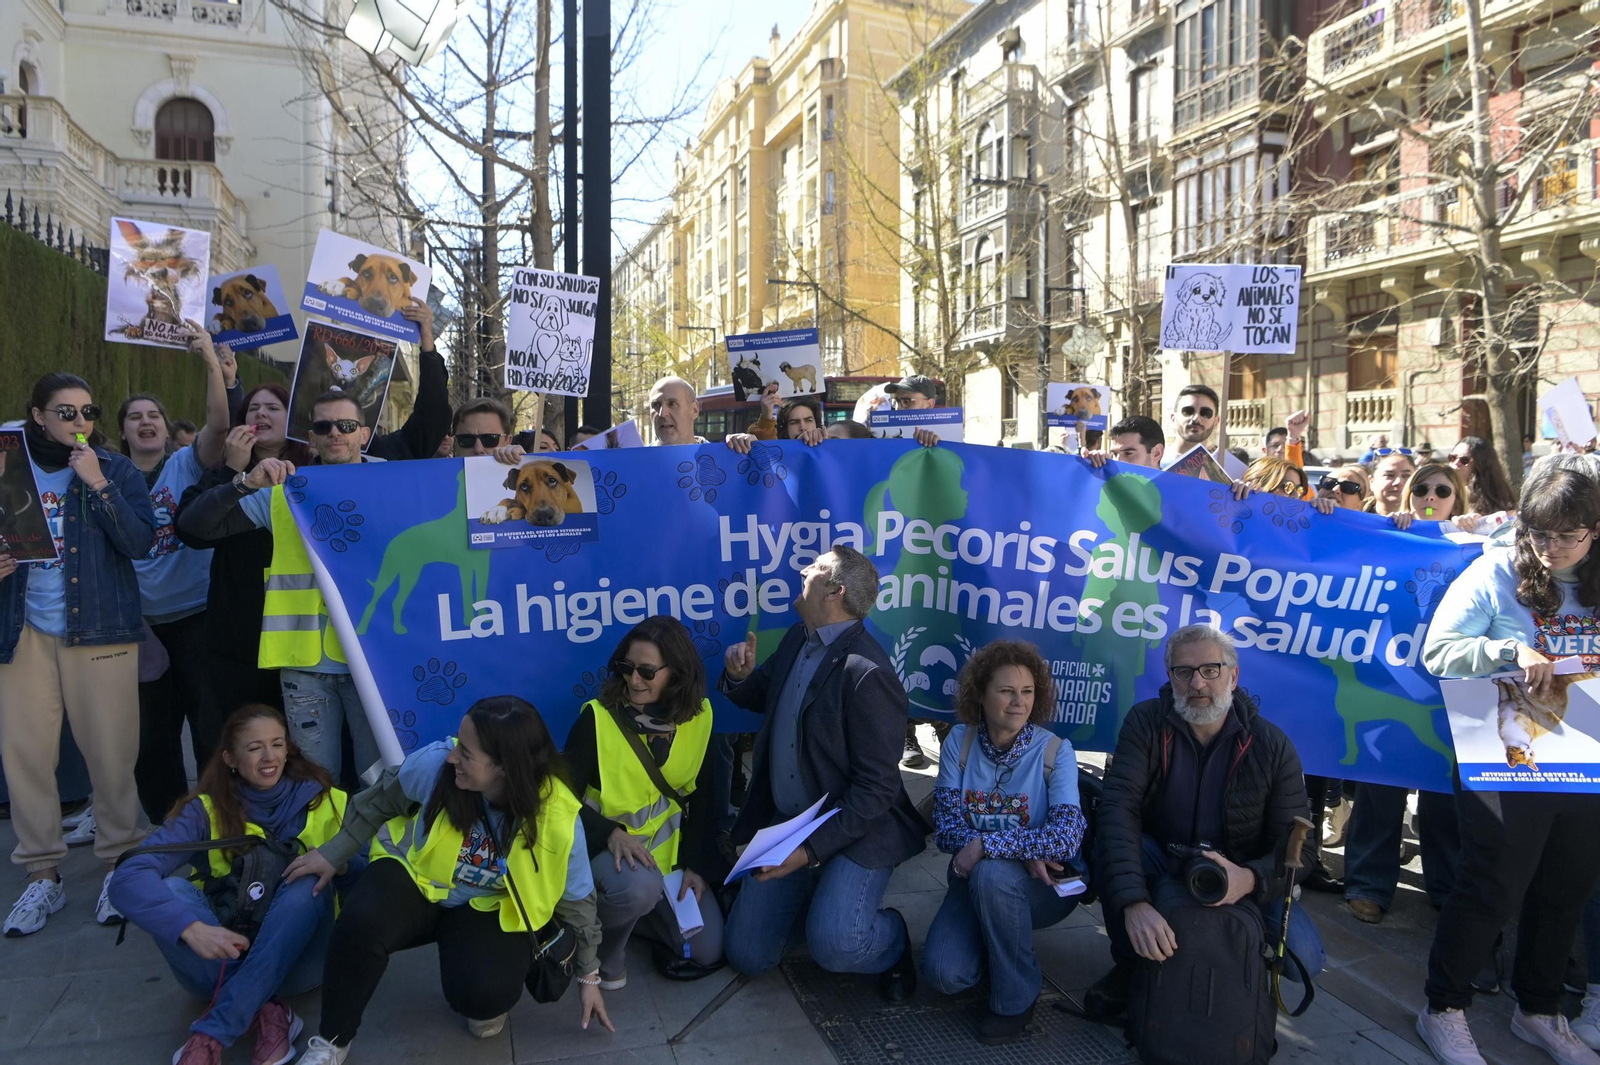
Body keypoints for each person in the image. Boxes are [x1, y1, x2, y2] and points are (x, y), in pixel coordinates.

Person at [282, 696, 613, 1063]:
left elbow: (578, 900)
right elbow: (379, 801)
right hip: (414, 878)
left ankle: (472, 971)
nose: (453, 755)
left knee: (485, 994)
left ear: (504, 767)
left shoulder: (558, 817)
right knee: (360, 923)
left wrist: (589, 976)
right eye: (459, 742)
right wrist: (333, 853)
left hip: (487, 905)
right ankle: (332, 1040)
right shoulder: (437, 765)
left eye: (467, 753)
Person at [1414, 467, 1600, 1065]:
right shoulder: (1496, 571)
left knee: (1565, 886)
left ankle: (1539, 1010)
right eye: (1540, 535)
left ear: (1594, 532)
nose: (1552, 549)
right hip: (1504, 753)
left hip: (1583, 752)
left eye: (1568, 536)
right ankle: (1443, 1008)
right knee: (1493, 884)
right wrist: (1505, 649)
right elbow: (1438, 651)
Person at [1083, 625, 1323, 1019]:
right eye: (1183, 671)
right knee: (1114, 849)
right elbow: (1117, 810)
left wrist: (1251, 879)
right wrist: (1134, 903)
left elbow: (1301, 849)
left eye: (1210, 669)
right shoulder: (1145, 723)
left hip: (1238, 872)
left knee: (1304, 958)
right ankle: (1129, 964)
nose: (1197, 682)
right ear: (1170, 678)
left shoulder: (1272, 745)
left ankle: (1236, 970)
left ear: (1233, 675)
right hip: (1161, 857)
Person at [718, 545, 925, 998]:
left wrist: (809, 852)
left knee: (837, 946)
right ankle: (819, 903)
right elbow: (764, 697)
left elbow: (876, 789)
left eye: (813, 568)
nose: (802, 570)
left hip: (856, 830)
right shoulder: (798, 637)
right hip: (790, 825)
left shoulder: (868, 673)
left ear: (835, 591)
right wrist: (740, 677)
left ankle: (890, 939)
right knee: (748, 955)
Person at [109, 705, 354, 1065]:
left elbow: (375, 870)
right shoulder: (203, 810)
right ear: (231, 759)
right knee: (175, 892)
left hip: (302, 961)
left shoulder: (327, 799)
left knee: (307, 882)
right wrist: (189, 928)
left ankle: (214, 1032)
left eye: (277, 744)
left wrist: (339, 862)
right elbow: (127, 876)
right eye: (255, 748)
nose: (269, 756)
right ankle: (269, 1011)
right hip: (220, 957)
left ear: (289, 749)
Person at [0, 372, 156, 935]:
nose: (80, 423)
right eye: (65, 413)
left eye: (88, 413)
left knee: (112, 753)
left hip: (98, 627)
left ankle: (119, 865)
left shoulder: (111, 468)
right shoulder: (6, 466)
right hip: (21, 630)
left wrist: (99, 485)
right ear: (37, 416)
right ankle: (43, 876)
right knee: (25, 758)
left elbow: (140, 542)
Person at [176, 391, 385, 786]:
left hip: (371, 662)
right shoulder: (286, 491)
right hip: (305, 665)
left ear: (365, 434)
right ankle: (319, 851)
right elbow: (194, 527)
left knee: (381, 781)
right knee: (315, 784)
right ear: (311, 437)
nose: (335, 434)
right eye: (324, 427)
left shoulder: (396, 485)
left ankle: (379, 852)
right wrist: (242, 482)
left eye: (346, 426)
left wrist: (497, 465)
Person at [921, 641, 1086, 1044]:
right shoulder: (959, 742)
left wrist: (986, 847)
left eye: (1027, 692)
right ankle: (998, 945)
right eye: (1006, 691)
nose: (1018, 702)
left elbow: (1064, 838)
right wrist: (1022, 848)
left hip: (1043, 888)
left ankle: (1016, 996)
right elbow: (946, 829)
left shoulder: (1055, 751)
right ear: (980, 693)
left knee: (994, 873)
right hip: (976, 875)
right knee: (945, 973)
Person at [564, 616, 724, 987]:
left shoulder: (702, 716)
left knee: (708, 950)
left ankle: (631, 917)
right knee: (637, 889)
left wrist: (695, 865)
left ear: (677, 674)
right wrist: (610, 833)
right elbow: (559, 801)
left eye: (647, 672)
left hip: (666, 863)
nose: (633, 680)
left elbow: (705, 798)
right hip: (606, 856)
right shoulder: (597, 720)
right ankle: (603, 950)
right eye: (627, 667)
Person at [125, 326, 236, 823]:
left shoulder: (185, 468)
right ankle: (169, 825)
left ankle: (219, 816)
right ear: (124, 430)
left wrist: (210, 362)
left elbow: (218, 421)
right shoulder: (104, 475)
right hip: (140, 629)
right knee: (153, 738)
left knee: (210, 726)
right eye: (135, 417)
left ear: (167, 430)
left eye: (154, 416)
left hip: (197, 618)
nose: (145, 422)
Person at [175, 382, 313, 764]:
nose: (260, 415)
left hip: (302, 639)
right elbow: (190, 529)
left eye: (272, 408)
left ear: (295, 420)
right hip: (238, 637)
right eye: (252, 409)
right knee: (240, 745)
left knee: (300, 750)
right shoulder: (227, 471)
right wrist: (236, 472)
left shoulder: (314, 469)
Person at [1449, 436, 1518, 519]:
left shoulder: (1497, 504)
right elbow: (1429, 512)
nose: (1456, 463)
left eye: (1464, 460)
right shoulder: (1438, 490)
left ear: (1480, 465)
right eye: (1453, 458)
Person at [1158, 384, 1221, 469]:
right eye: (1187, 411)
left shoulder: (1223, 472)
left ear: (1216, 422)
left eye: (1205, 413)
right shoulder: (1152, 463)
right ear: (1173, 418)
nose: (1196, 419)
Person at [1085, 415, 1165, 470]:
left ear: (1156, 453)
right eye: (1114, 454)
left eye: (1128, 453)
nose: (1118, 461)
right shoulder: (1109, 486)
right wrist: (1089, 466)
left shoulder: (1175, 491)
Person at [1366, 448, 1418, 518]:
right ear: (1371, 482)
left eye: (1406, 475)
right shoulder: (1355, 519)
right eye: (1389, 475)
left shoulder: (1428, 515)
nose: (1398, 482)